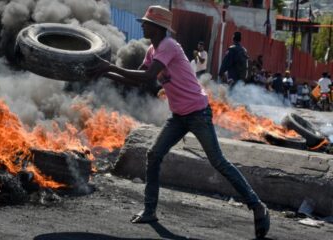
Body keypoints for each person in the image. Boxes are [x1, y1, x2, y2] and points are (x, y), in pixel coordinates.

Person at [90, 5, 270, 239]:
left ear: (158, 27)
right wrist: (105, 73)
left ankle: (257, 207)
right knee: (154, 155)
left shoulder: (169, 46)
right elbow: (139, 82)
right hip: (178, 116)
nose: (142, 25)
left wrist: (109, 67)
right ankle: (149, 210)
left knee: (218, 162)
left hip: (198, 113)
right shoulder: (152, 50)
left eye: (146, 23)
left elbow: (146, 76)